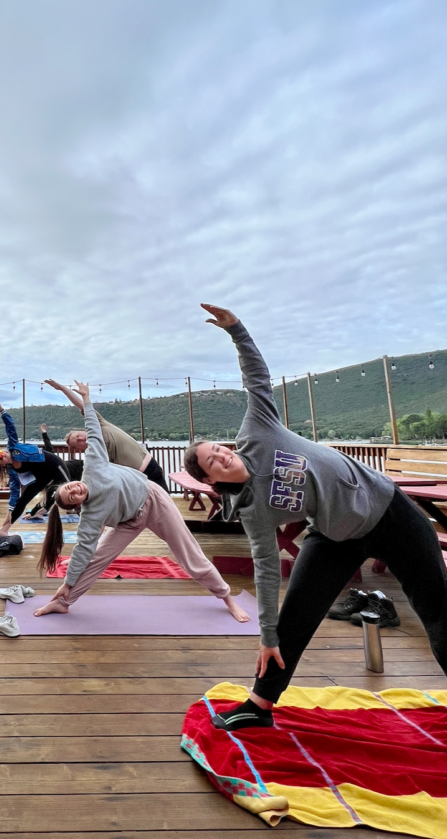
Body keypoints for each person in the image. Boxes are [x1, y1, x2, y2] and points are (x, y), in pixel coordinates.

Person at [184, 304, 447, 730]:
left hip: (390, 511)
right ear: (213, 480)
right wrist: (266, 636)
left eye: (220, 448)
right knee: (294, 617)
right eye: (214, 460)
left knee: (437, 607)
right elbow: (267, 569)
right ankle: (259, 704)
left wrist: (237, 330)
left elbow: (257, 380)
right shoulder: (252, 510)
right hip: (334, 537)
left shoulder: (257, 431)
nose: (223, 455)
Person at [33, 380, 250, 623]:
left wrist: (85, 398)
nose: (74, 490)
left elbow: (93, 429)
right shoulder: (90, 515)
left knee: (188, 552)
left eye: (69, 487)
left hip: (153, 499)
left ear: (71, 482)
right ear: (77, 505)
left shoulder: (92, 466)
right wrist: (67, 583)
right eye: (71, 497)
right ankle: (62, 602)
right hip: (129, 522)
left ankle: (226, 598)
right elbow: (84, 551)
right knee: (95, 558)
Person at [44, 379, 169, 491]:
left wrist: (63, 389)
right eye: (78, 442)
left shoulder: (99, 424)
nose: (81, 438)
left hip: (150, 469)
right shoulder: (94, 455)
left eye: (78, 435)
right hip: (135, 483)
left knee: (166, 510)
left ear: (82, 430)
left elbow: (84, 406)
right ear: (79, 450)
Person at [0, 400, 70, 533]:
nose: (3, 454)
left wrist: (2, 410)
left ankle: (86, 515)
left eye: (1, 452)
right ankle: (4, 530)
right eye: (0, 457)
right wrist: (10, 510)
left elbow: (10, 428)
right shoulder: (12, 470)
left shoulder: (14, 447)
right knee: (23, 500)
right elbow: (14, 493)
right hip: (41, 476)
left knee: (67, 490)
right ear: (2, 464)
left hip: (55, 465)